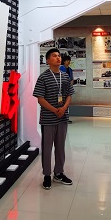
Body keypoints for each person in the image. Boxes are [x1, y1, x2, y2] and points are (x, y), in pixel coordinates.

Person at [33, 48, 74, 190]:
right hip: (48, 118)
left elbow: (69, 95)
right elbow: (40, 98)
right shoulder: (43, 77)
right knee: (47, 147)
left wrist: (63, 108)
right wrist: (54, 110)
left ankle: (59, 172)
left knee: (60, 146)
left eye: (59, 56)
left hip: (62, 117)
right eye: (54, 56)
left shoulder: (65, 76)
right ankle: (46, 175)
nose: (58, 58)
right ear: (48, 60)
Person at [60, 54, 75, 123]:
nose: (68, 62)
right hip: (61, 88)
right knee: (61, 103)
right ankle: (60, 117)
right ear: (64, 61)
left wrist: (70, 86)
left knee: (67, 103)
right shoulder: (61, 68)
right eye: (67, 60)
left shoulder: (70, 70)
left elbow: (71, 79)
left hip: (68, 88)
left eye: (69, 60)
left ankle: (66, 117)